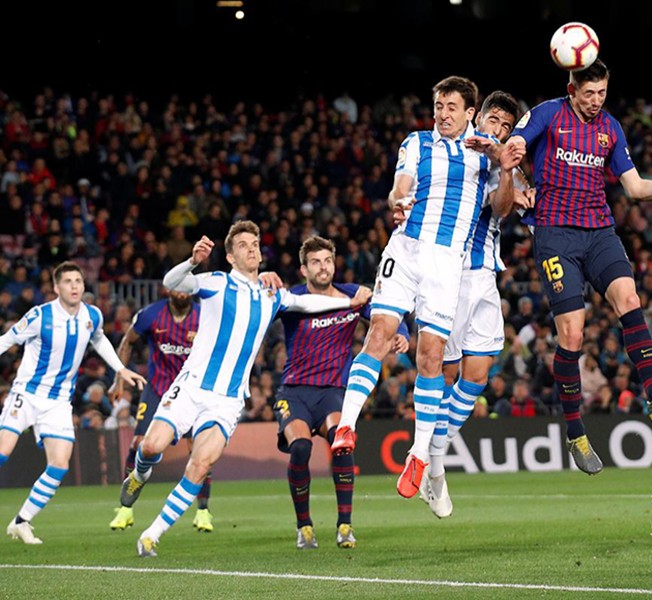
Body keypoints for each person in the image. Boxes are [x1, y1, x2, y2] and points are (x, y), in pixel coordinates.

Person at [122, 221, 371, 557]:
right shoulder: (215, 283)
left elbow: (309, 304)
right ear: (229, 256)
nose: (252, 248)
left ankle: (152, 534)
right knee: (150, 446)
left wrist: (349, 303)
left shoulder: (272, 296)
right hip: (192, 387)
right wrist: (193, 261)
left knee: (200, 465)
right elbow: (171, 283)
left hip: (227, 401)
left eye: (255, 243)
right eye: (243, 245)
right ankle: (140, 472)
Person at [329, 76, 522, 499]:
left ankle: (419, 455)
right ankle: (346, 425)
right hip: (406, 248)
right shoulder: (416, 143)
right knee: (379, 332)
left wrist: (505, 165)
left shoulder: (487, 155)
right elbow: (400, 185)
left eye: (452, 107)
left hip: (447, 264)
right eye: (439, 106)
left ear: (469, 112)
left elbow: (503, 207)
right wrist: (398, 201)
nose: (443, 114)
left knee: (431, 355)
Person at [501, 59, 652, 473]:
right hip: (556, 235)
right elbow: (512, 146)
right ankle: (576, 432)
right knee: (572, 332)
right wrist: (516, 152)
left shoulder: (610, 128)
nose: (596, 101)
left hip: (600, 231)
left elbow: (636, 187)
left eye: (602, 93)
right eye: (588, 94)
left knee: (628, 295)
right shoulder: (547, 114)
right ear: (571, 90)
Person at [420, 90, 529, 518]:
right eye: (494, 121)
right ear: (477, 117)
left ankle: (435, 455)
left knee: (478, 372)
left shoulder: (499, 160)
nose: (498, 130)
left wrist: (508, 172)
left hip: (485, 273)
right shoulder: (455, 153)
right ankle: (432, 465)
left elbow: (502, 208)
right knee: (445, 372)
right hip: (453, 271)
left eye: (506, 126)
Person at [275, 235, 409, 550]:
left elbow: (385, 316)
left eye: (328, 261)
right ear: (303, 269)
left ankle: (345, 526)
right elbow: (258, 311)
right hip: (294, 392)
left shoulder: (354, 295)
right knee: (300, 450)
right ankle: (304, 526)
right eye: (316, 262)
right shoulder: (292, 299)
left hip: (333, 393)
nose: (323, 267)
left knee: (342, 444)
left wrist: (401, 334)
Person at [0, 262, 146, 544]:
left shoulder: (92, 315)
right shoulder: (39, 316)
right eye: (68, 281)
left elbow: (99, 339)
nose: (75, 286)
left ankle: (21, 522)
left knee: (59, 464)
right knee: (3, 452)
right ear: (56, 288)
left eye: (78, 280)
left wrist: (120, 368)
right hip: (27, 394)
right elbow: (6, 341)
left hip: (58, 403)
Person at [107, 290, 215, 533]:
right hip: (157, 390)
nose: (182, 293)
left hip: (191, 391)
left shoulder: (204, 316)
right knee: (139, 443)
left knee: (198, 448)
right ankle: (125, 509)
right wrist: (119, 380)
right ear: (169, 290)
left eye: (187, 288)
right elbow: (127, 343)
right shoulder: (151, 315)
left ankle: (203, 511)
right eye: (177, 287)